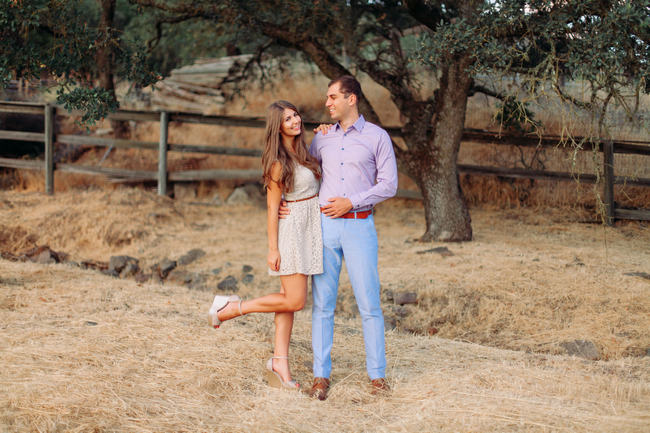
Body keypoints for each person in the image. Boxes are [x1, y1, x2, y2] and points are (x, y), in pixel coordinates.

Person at [284, 75, 398, 400]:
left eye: (333, 97)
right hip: (326, 228)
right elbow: (303, 174)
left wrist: (353, 201)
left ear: (352, 99)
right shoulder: (321, 139)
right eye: (327, 97)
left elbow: (389, 184)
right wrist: (283, 204)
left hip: (360, 226)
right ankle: (321, 376)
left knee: (370, 305)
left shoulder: (377, 137)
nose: (327, 103)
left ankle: (377, 376)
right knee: (323, 305)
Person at [208, 100, 323, 390]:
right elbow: (273, 208)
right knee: (295, 300)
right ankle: (232, 308)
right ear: (278, 127)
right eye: (288, 119)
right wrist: (273, 249)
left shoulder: (304, 151)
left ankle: (279, 363)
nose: (296, 120)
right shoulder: (277, 163)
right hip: (292, 232)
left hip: (310, 226)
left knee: (288, 301)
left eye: (296, 114)